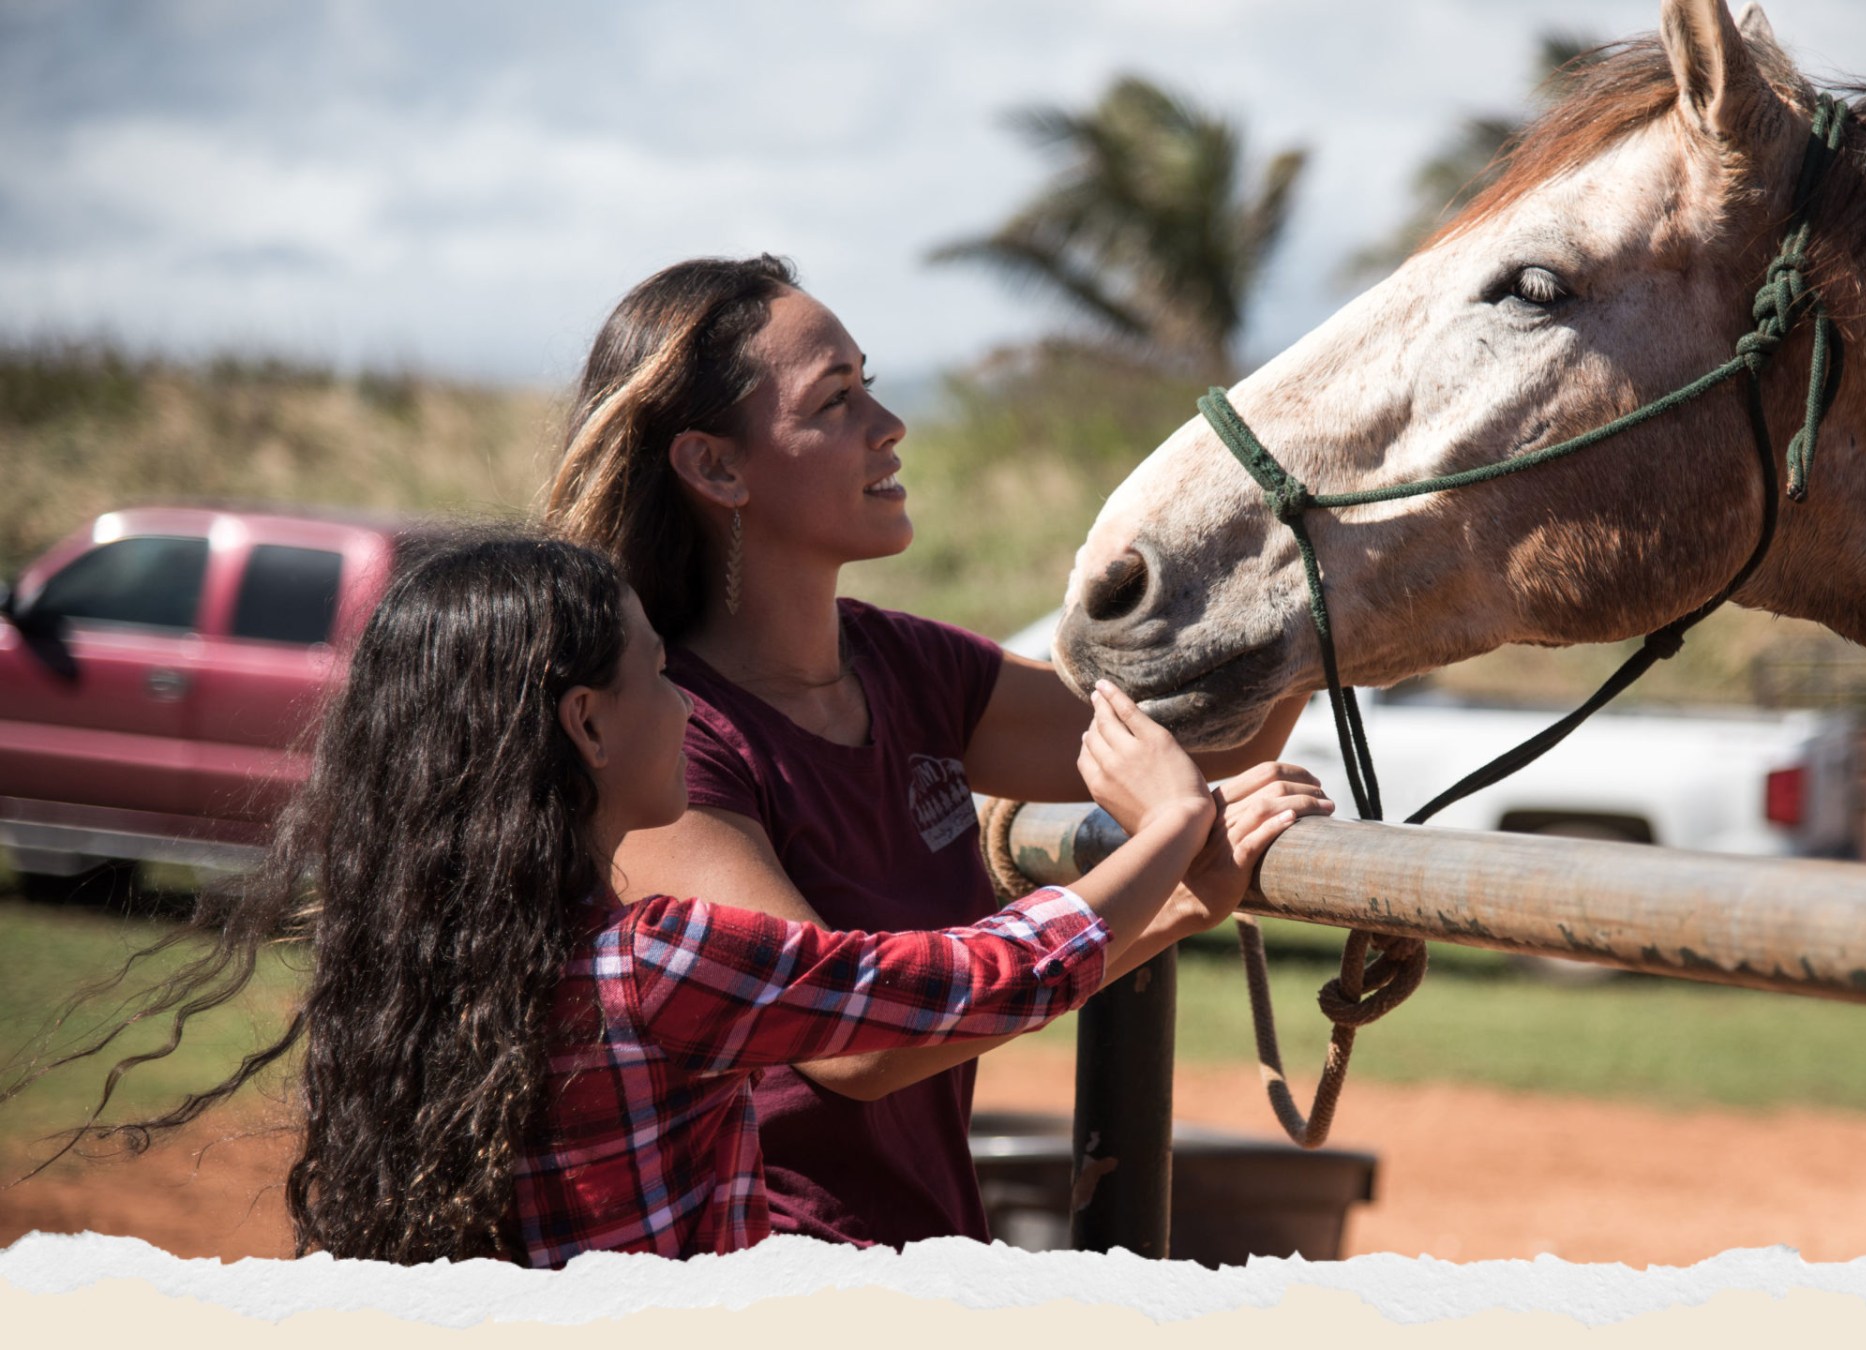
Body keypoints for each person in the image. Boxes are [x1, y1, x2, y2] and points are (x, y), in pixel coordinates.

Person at [3, 535, 1320, 1266]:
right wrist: (1167, 822)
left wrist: (1173, 902)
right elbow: (969, 981)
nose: (687, 706)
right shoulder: (659, 961)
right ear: (585, 721)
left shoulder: (422, 959)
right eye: (653, 681)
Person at [543, 254, 1323, 1250]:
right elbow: (854, 1045)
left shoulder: (909, 666)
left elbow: (1209, 748)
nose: (888, 424)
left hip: (926, 1253)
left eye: (869, 382)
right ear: (716, 467)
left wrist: (1337, 580)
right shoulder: (669, 743)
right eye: (836, 400)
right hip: (779, 1272)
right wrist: (1165, 854)